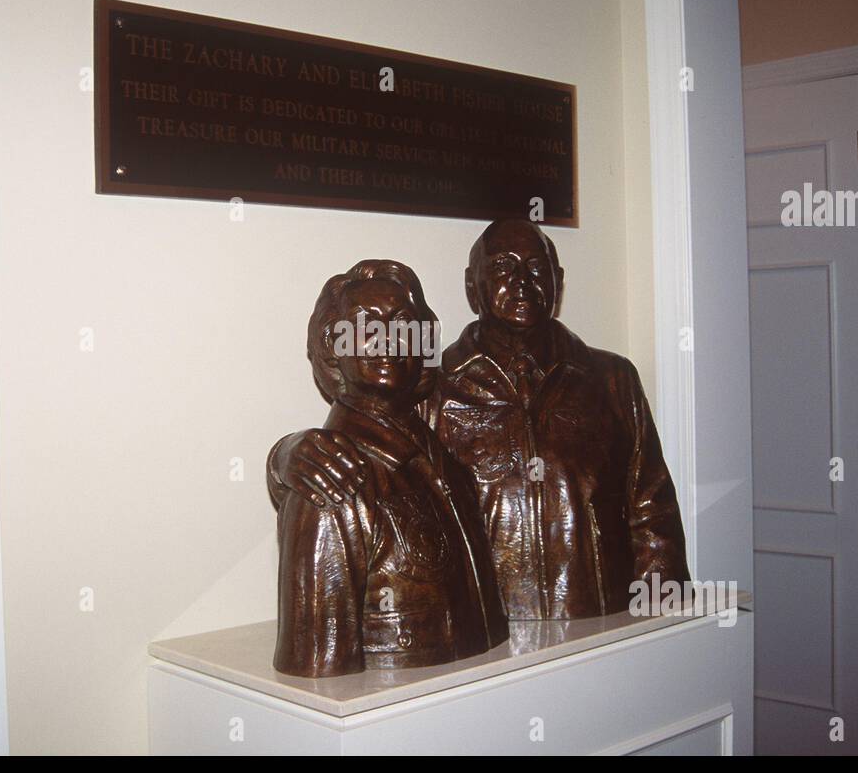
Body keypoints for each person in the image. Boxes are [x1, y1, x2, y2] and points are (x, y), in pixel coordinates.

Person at [269, 220, 690, 620]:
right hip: (492, 633)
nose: (522, 282)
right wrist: (284, 457)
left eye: (536, 268)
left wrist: (663, 623)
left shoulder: (612, 379)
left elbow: (651, 508)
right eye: (503, 268)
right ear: (473, 288)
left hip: (602, 618)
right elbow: (365, 439)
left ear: (558, 281)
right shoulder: (429, 383)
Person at [272, 260, 508, 677]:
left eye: (403, 325)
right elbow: (322, 675)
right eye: (366, 326)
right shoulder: (332, 482)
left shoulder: (446, 463)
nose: (389, 340)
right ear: (332, 346)